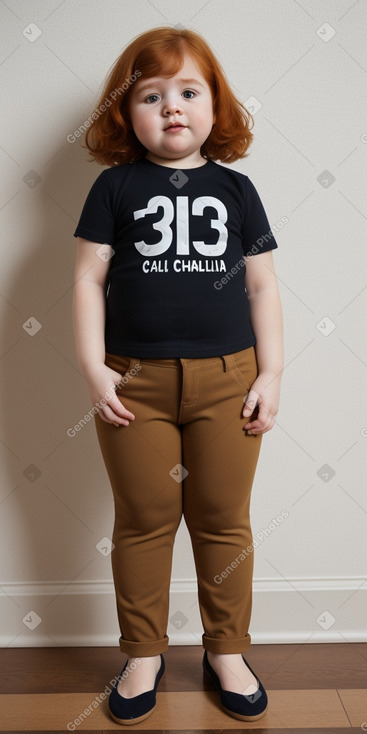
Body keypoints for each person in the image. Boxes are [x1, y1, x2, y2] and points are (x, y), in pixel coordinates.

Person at [72, 26, 284, 726]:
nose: (171, 108)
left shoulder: (235, 187)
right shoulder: (114, 187)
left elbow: (260, 285)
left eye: (188, 92)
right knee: (143, 521)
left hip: (229, 379)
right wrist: (93, 372)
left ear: (214, 105)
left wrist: (271, 372)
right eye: (150, 95)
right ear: (124, 113)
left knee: (223, 522)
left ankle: (226, 649)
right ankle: (142, 651)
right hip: (135, 381)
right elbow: (85, 279)